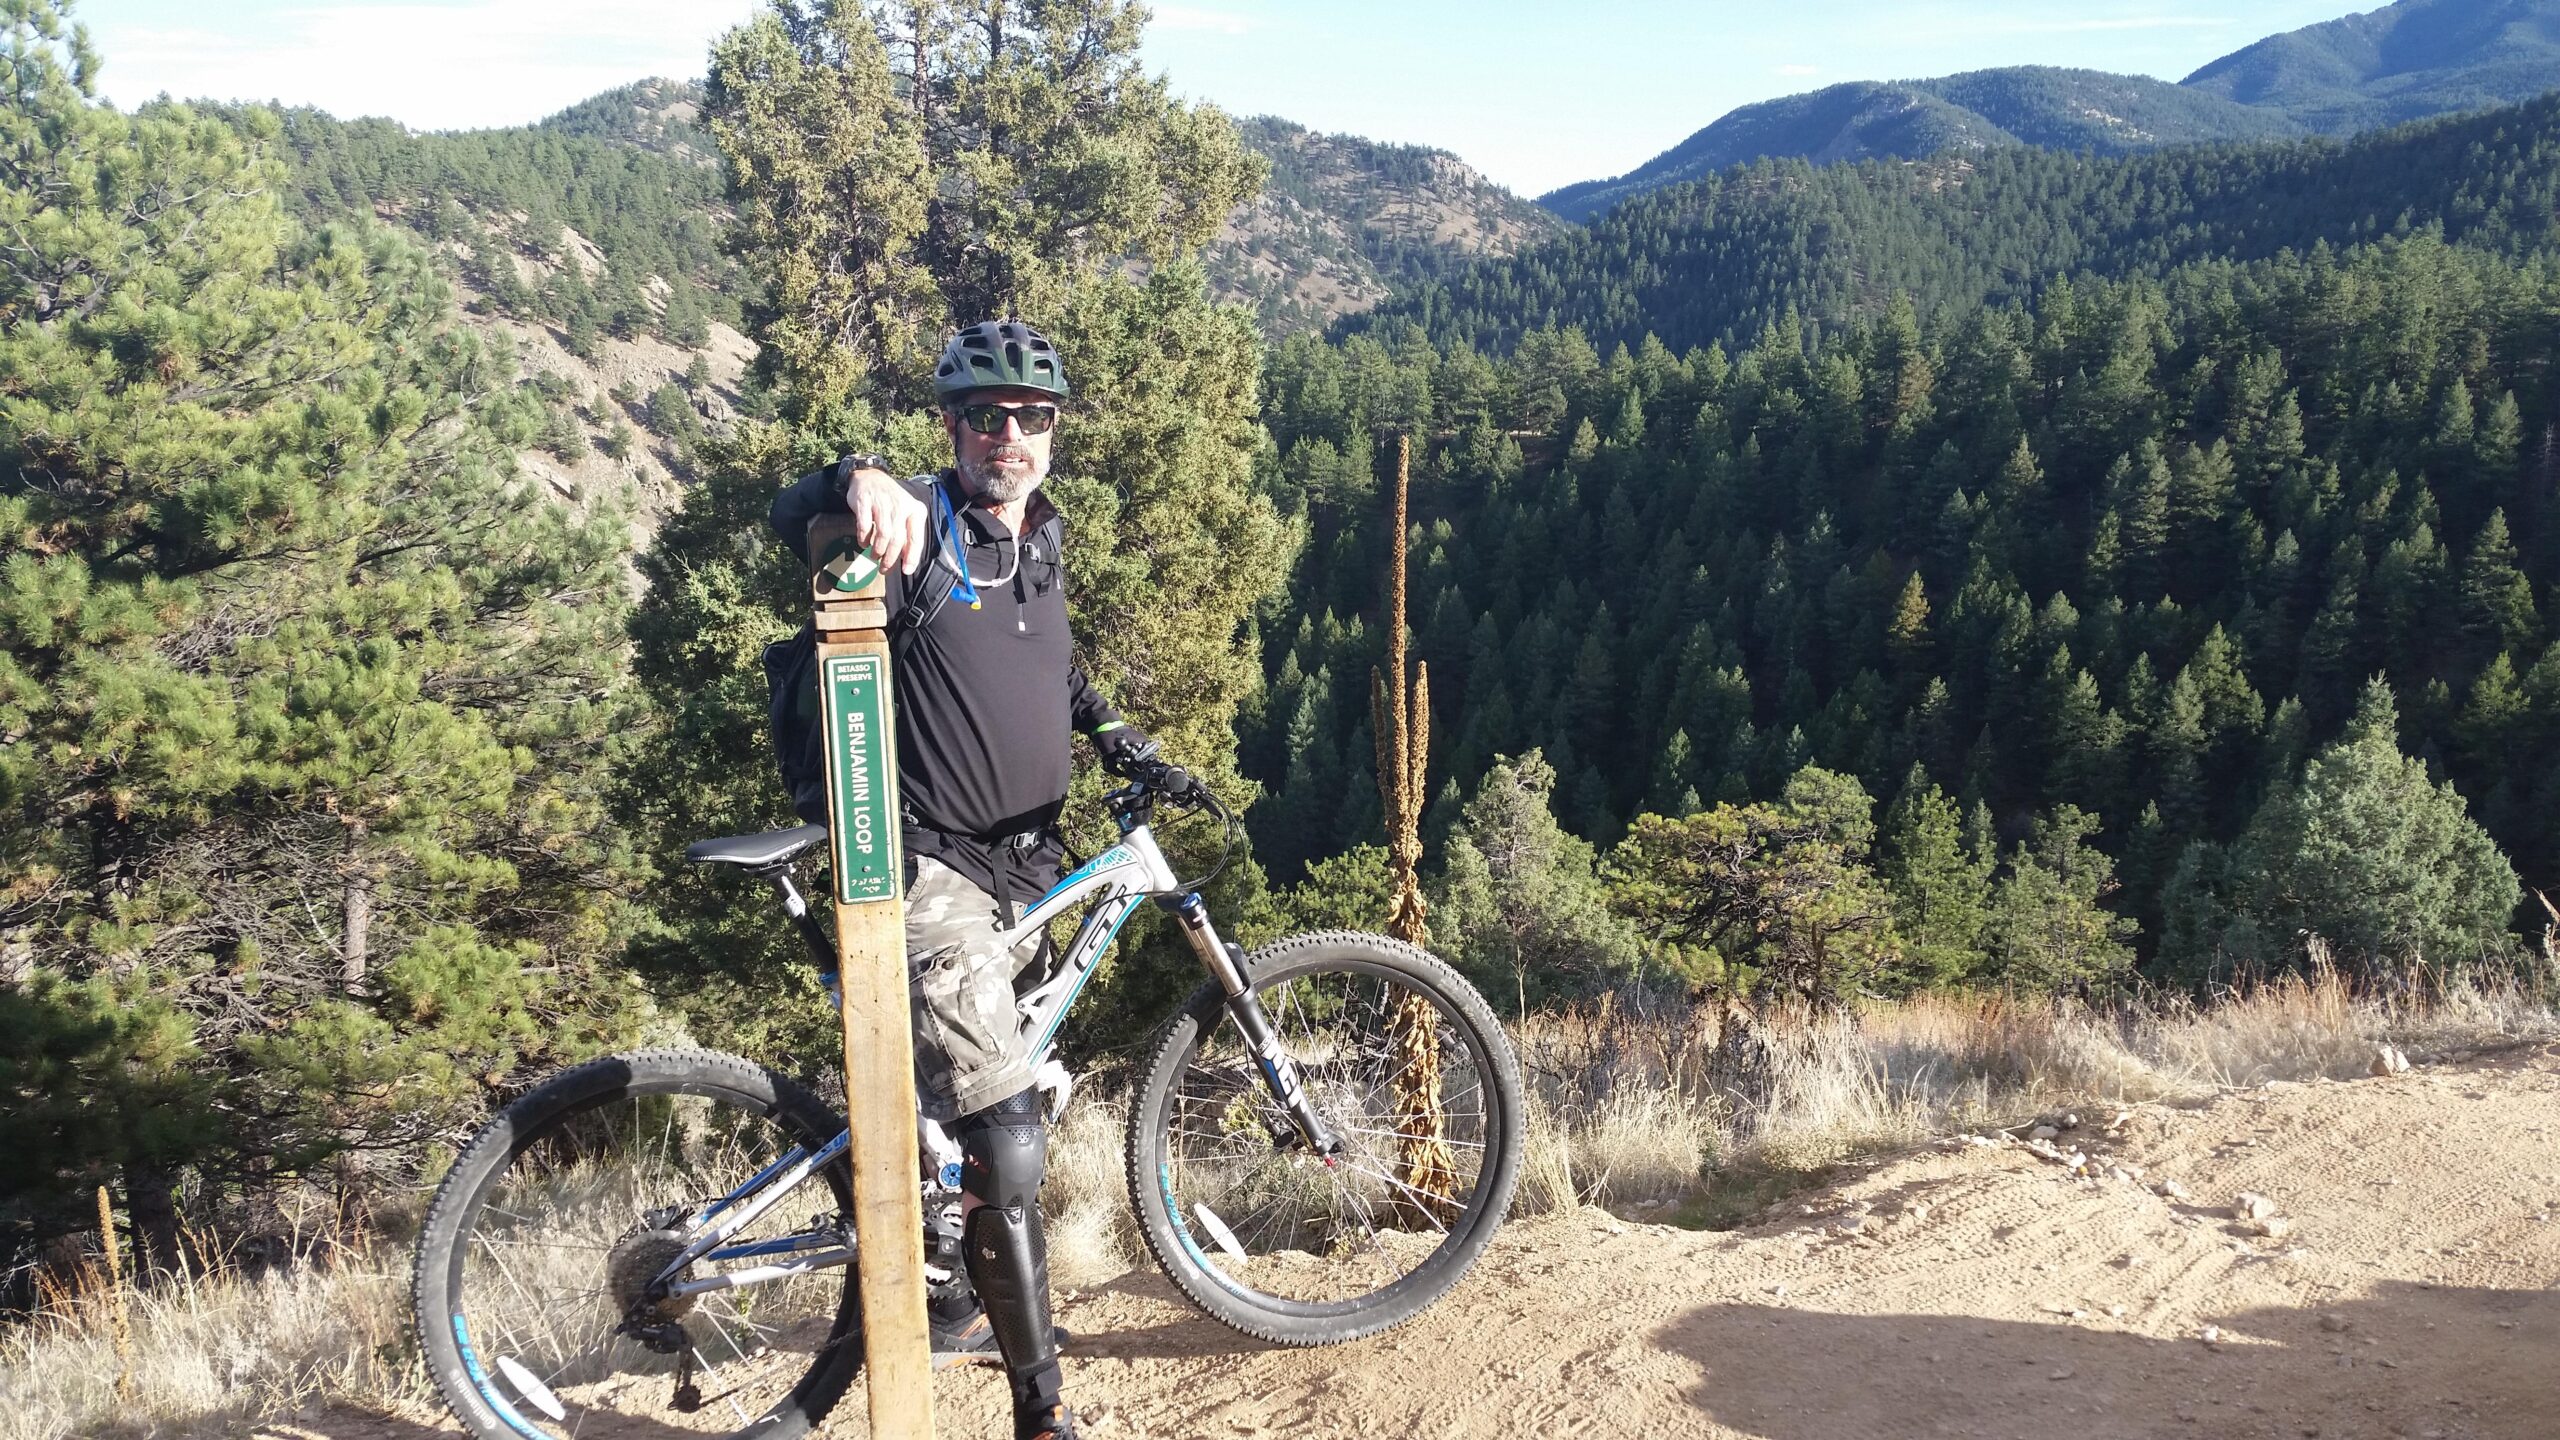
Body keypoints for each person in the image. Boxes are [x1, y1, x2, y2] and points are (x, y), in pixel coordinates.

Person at [770, 319, 1149, 1440]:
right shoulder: (915, 527)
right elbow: (791, 518)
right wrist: (854, 474)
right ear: (953, 428)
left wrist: (1116, 729)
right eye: (987, 417)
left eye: (1031, 418)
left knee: (967, 1115)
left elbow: (1052, 661)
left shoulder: (1040, 536)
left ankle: (943, 1281)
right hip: (934, 867)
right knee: (1008, 1137)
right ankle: (1042, 1414)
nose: (1011, 437)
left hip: (1026, 862)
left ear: (1053, 432)